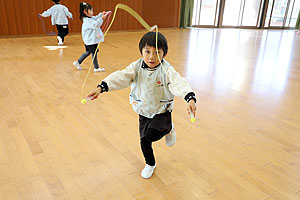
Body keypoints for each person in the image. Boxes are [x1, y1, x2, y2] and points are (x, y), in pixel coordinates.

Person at [86, 31, 197, 179]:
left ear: (164, 54)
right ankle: (150, 164)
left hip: (161, 110)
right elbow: (121, 76)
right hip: (143, 109)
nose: (151, 56)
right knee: (144, 140)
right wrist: (101, 87)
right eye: (147, 52)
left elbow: (178, 83)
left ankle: (168, 128)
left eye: (157, 52)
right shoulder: (136, 67)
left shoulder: (166, 69)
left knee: (152, 134)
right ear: (141, 52)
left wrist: (190, 98)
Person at [73, 2, 108, 72]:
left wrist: (101, 14)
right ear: (85, 12)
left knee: (89, 52)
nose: (92, 12)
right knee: (94, 53)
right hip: (91, 40)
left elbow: (96, 18)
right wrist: (102, 19)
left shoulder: (90, 18)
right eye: (91, 11)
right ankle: (96, 67)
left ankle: (78, 62)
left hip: (90, 40)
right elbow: (95, 24)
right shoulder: (87, 21)